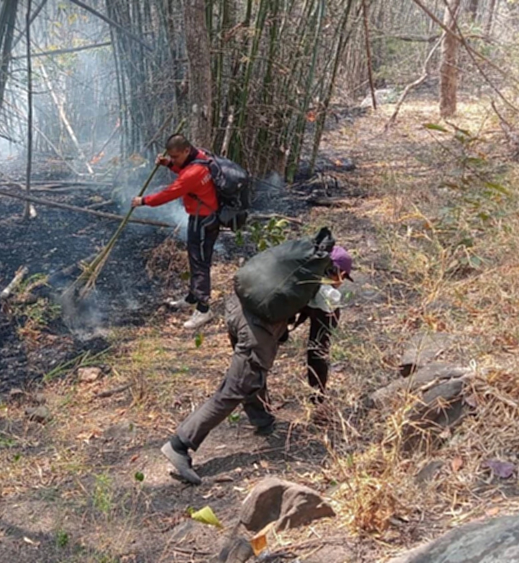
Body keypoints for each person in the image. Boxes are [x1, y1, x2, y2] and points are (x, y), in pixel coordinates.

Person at [160, 246, 354, 485]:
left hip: (236, 307)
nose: (340, 286)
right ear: (338, 275)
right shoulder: (325, 297)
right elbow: (317, 352)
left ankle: (261, 419)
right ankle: (179, 445)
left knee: (251, 371)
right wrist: (318, 398)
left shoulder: (291, 269)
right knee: (236, 387)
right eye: (343, 279)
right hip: (254, 327)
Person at [131, 134, 219, 330]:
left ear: (186, 150)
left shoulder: (193, 173)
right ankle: (192, 297)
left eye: (175, 156)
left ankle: (204, 309)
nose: (173, 159)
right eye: (171, 156)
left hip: (204, 219)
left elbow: (169, 193)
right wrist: (168, 164)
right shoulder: (201, 156)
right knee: (195, 257)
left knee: (201, 262)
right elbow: (183, 168)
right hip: (200, 216)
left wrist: (143, 201)